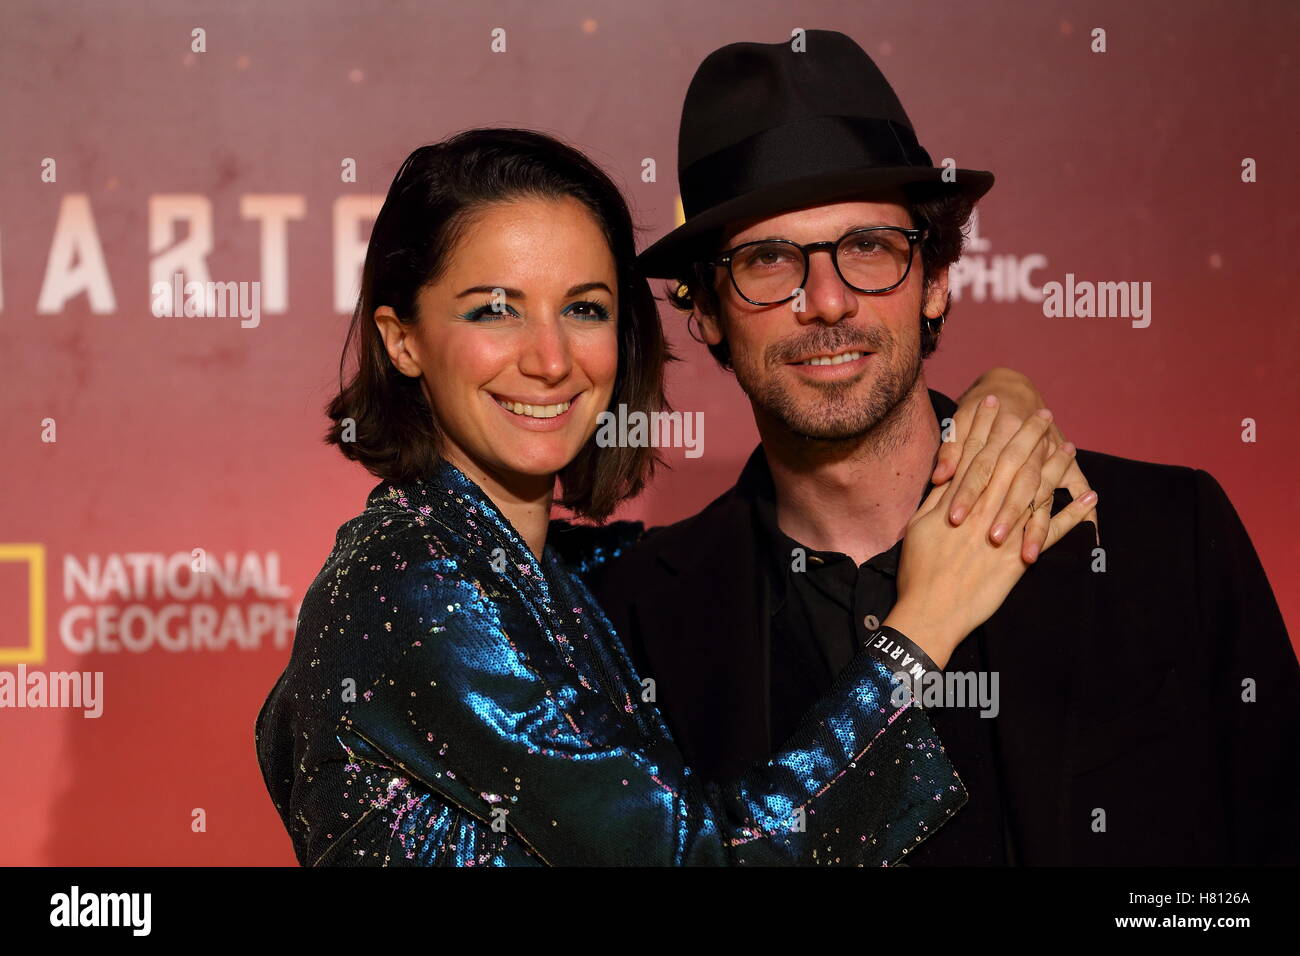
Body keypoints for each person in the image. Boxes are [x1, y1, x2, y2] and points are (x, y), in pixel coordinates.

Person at [253, 127, 1095, 866]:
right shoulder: (413, 584)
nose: (550, 359)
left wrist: (993, 408)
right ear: (402, 340)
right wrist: (923, 629)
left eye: (584, 309)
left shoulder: (548, 572)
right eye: (495, 311)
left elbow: (692, 557)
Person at [590, 30, 1299, 865]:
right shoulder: (631, 622)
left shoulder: (1165, 535)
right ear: (705, 310)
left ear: (937, 280)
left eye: (868, 248)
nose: (826, 301)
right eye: (768, 259)